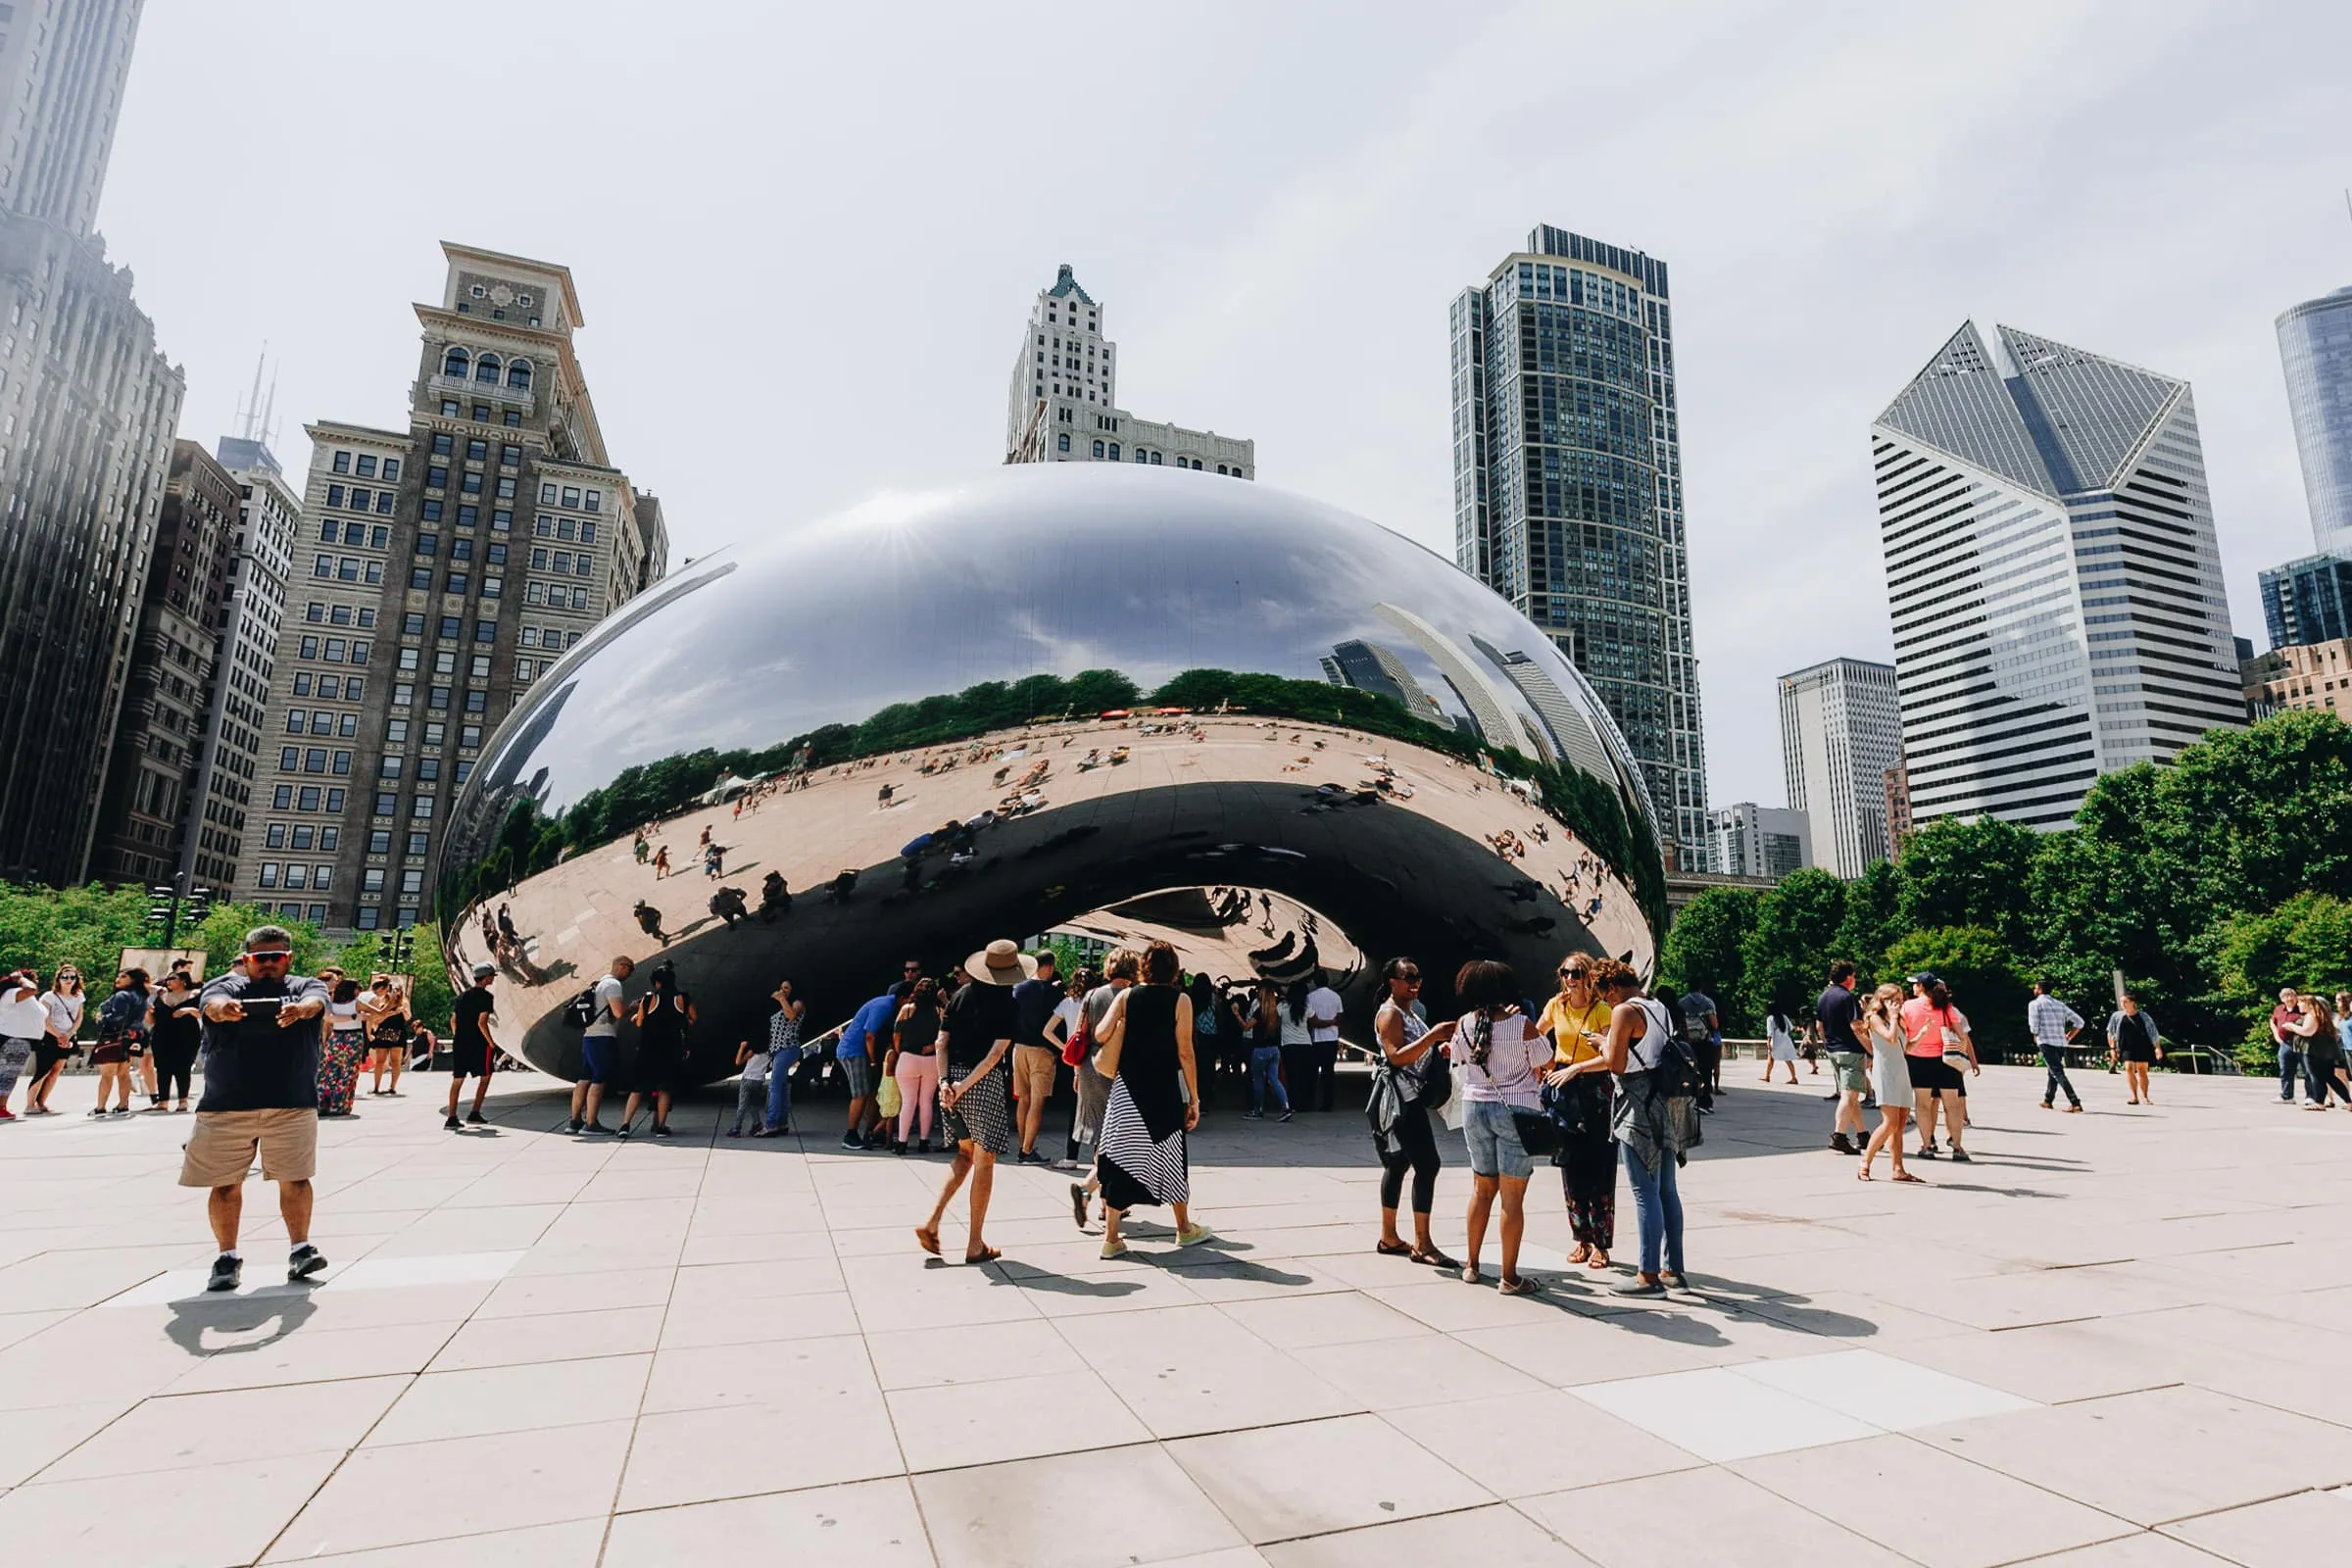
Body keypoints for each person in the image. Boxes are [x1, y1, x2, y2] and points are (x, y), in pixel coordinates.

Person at [184, 926, 331, 1292]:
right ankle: (226, 1256)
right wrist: (223, 1011)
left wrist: (301, 1011)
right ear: (247, 959)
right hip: (227, 1104)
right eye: (259, 958)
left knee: (296, 1179)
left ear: (289, 958)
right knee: (224, 1186)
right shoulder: (226, 987)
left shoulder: (305, 987)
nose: (268, 964)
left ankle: (300, 1249)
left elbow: (318, 1002)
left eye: (276, 957)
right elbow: (212, 1005)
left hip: (291, 1101)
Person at [1091, 941, 1213, 1258]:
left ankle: (1112, 1238)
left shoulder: (1127, 995)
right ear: (1173, 969)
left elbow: (1100, 1034)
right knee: (1172, 1157)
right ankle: (1184, 1229)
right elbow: (1185, 1051)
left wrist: (1122, 1020)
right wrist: (1195, 1098)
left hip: (1127, 1090)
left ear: (1143, 967)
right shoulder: (1180, 1000)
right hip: (1162, 1092)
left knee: (1119, 1159)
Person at [917, 940, 1027, 1263]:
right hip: (981, 1085)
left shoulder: (959, 995)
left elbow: (941, 1042)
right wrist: (964, 1086)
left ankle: (933, 1222)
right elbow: (994, 1056)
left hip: (949, 1083)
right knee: (985, 1160)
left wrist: (944, 1083)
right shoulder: (1009, 1004)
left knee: (965, 1155)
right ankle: (975, 1243)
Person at [1446, 959, 1545, 1296]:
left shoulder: (1463, 1023)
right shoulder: (1521, 1024)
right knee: (1511, 1199)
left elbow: (1458, 1058)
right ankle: (1509, 1276)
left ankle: (1471, 1266)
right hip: (1515, 1108)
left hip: (1475, 1107)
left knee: (1481, 1189)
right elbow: (1544, 1057)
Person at [1595, 958, 1692, 1294]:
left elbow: (1617, 1063)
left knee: (1643, 1192)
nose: (1608, 1003)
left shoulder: (1624, 1011)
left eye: (1605, 996)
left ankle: (1647, 1275)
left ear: (1611, 987)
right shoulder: (1659, 1007)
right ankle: (1673, 1269)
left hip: (1637, 1104)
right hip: (1664, 1101)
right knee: (1667, 1189)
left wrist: (1603, 1042)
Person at [1371, 957, 1458, 1268]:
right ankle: (1422, 1244)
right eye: (1408, 977)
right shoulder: (1390, 1013)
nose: (1415, 981)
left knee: (1398, 1164)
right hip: (1402, 1100)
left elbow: (1415, 1050)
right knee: (1428, 1164)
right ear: (1392, 981)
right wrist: (1433, 1037)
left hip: (1410, 1098)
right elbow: (1395, 1057)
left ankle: (1389, 1236)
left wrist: (1437, 1048)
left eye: (1419, 976)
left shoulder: (1408, 1011)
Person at [1539, 954, 1617, 1270]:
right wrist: (1547, 1064)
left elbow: (1612, 1056)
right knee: (1569, 1166)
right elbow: (1535, 1034)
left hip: (1595, 1089)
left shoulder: (1602, 1011)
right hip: (1564, 1088)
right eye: (1565, 973)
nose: (1570, 979)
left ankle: (1601, 1243)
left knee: (1599, 1166)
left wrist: (1578, 1068)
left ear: (1588, 977)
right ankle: (1580, 1239)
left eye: (1576, 973)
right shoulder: (1555, 1006)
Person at [1902, 973, 1979, 1159]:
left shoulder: (1908, 1006)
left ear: (1920, 986)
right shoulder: (1946, 1006)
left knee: (1923, 1105)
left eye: (1915, 984)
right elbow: (1961, 1034)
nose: (1913, 987)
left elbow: (1904, 1033)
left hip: (1918, 1058)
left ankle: (1927, 1146)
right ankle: (1958, 1147)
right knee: (1952, 1105)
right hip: (1947, 1060)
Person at [1856, 984, 1919, 1182]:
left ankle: (1898, 1169)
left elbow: (1903, 1047)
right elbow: (1890, 1039)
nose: (1899, 1003)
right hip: (1886, 1073)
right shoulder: (1875, 1018)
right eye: (1894, 1000)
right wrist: (1893, 1017)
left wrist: (1921, 1035)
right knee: (1889, 1123)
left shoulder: (1897, 1020)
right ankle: (1865, 1163)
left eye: (1901, 999)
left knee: (1900, 1124)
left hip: (1901, 1071)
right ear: (1882, 999)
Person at [621, 961, 693, 1137]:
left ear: (656, 982)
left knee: (637, 1088)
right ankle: (661, 1126)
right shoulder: (682, 998)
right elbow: (692, 1017)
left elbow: (640, 1023)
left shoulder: (648, 998)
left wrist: (639, 1015)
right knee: (664, 1089)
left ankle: (625, 1125)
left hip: (648, 1048)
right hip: (671, 1048)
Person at [567, 956, 632, 1135]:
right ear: (621, 966)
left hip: (589, 1036)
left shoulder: (598, 983)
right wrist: (633, 1007)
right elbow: (618, 1012)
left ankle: (574, 1121)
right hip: (603, 1037)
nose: (630, 974)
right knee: (599, 1079)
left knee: (584, 1078)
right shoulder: (613, 985)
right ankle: (591, 1123)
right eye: (629, 969)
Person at [1009, 950, 1062, 1163]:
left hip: (1018, 1048)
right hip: (1042, 1051)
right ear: (1049, 967)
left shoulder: (1017, 989)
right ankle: (1028, 1149)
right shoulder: (1053, 993)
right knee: (1037, 1102)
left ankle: (1025, 1145)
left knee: (1023, 1099)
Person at [834, 988, 900, 1150]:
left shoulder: (885, 1004)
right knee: (861, 1094)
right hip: (854, 1052)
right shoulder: (884, 1007)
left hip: (858, 1051)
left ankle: (871, 1132)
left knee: (872, 1093)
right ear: (903, 997)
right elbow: (869, 1035)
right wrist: (872, 1061)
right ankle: (850, 1135)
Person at [1817, 961, 1869, 1153]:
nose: (1855, 980)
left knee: (1851, 1095)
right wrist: (1870, 1049)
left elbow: (1819, 1026)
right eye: (1854, 976)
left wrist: (1828, 1044)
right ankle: (1838, 1136)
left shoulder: (1823, 997)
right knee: (1849, 1096)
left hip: (1833, 1051)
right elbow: (1856, 1026)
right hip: (1850, 1051)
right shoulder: (1847, 998)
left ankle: (1863, 1135)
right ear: (1848, 978)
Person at [889, 976, 945, 1152]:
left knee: (908, 1101)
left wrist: (900, 1052)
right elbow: (944, 1036)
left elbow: (896, 1035)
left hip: (908, 1058)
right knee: (926, 1101)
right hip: (931, 1060)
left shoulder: (906, 1010)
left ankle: (902, 1143)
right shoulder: (939, 1011)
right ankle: (923, 1141)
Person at [445, 962, 501, 1130]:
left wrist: (459, 1036)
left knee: (458, 1079)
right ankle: (475, 1112)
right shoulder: (486, 997)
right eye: (491, 976)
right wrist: (491, 1042)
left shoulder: (462, 996)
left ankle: (452, 1117)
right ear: (485, 978)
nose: (492, 979)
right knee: (485, 1077)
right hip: (478, 1044)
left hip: (461, 1042)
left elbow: (453, 1020)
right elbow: (482, 1022)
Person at [90, 967, 151, 1116]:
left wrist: (101, 1018)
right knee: (124, 1073)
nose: (118, 979)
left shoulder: (122, 995)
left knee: (107, 1073)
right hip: (132, 1037)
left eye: (123, 976)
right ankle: (123, 1104)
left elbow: (117, 1016)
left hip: (114, 1036)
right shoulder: (141, 997)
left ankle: (100, 1107)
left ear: (133, 980)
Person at [25, 965, 85, 1115]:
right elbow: (45, 1018)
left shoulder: (78, 996)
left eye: (72, 977)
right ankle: (29, 1104)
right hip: (49, 1035)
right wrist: (58, 1035)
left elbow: (79, 1017)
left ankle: (42, 1102)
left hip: (67, 1035)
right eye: (65, 977)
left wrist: (70, 1034)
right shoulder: (49, 997)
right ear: (58, 979)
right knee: (43, 1070)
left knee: (56, 1070)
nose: (69, 980)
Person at [755, 979, 808, 1137]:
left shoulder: (797, 1004)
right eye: (781, 988)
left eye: (786, 988)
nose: (783, 990)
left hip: (788, 1048)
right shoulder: (779, 1007)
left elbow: (791, 1016)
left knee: (775, 1086)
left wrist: (782, 999)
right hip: (778, 1051)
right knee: (782, 1088)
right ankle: (782, 1123)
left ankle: (771, 1124)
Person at [147, 970, 204, 1112]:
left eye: (172, 978)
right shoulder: (161, 997)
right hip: (162, 1036)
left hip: (186, 1036)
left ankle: (183, 1100)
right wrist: (147, 1012)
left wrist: (188, 1010)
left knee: (183, 1067)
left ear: (183, 980)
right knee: (162, 1068)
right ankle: (163, 1101)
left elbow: (203, 1013)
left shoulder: (195, 994)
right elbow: (152, 1020)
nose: (168, 981)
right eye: (167, 979)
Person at [2027, 980, 2086, 1112]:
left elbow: (2034, 1024)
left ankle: (2075, 1102)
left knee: (2057, 1072)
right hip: (2060, 1042)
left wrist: (2035, 1035)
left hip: (2046, 1041)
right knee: (2053, 1071)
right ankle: (2048, 1100)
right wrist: (2069, 1036)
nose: (2034, 990)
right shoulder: (2060, 1004)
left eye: (2035, 988)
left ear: (2040, 990)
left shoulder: (2035, 1004)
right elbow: (2079, 1022)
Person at [0, 966, 48, 1119]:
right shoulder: (11, 994)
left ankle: (2, 1106)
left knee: (9, 1075)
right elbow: (31, 989)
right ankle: (0, 1108)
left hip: (20, 1040)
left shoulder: (24, 999)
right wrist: (20, 978)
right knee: (8, 1075)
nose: (37, 983)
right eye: (35, 979)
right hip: (13, 1039)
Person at [1244, 978, 1290, 1123]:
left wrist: (1237, 1015)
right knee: (1274, 1079)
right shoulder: (1276, 1011)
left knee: (1258, 1080)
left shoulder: (1259, 1012)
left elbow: (1247, 1027)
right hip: (1274, 1049)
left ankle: (1258, 1110)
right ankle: (1286, 1107)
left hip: (1260, 1050)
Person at [318, 977, 367, 1116]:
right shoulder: (355, 1003)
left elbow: (328, 1021)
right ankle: (338, 1105)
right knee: (347, 1072)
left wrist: (325, 1039)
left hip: (336, 1037)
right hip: (352, 1038)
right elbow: (377, 1012)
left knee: (329, 1071)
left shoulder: (330, 1000)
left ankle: (323, 1104)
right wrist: (355, 1016)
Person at [2293, 995, 2351, 1108]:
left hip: (2314, 1051)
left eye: (2301, 1002)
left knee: (2317, 1077)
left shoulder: (2312, 1016)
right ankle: (2349, 1102)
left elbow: (2307, 1031)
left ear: (2309, 1004)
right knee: (2330, 1077)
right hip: (2326, 1051)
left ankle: (2319, 1103)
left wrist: (2291, 1026)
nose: (2298, 1005)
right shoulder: (2323, 1016)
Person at [2106, 991, 2163, 1106]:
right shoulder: (2117, 1016)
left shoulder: (2144, 1016)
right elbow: (2110, 1032)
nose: (2123, 1004)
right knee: (2129, 1068)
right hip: (2126, 1047)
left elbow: (2153, 1033)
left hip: (2142, 1046)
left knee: (2142, 1071)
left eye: (2125, 1002)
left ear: (2133, 1003)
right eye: (2122, 1002)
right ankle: (2134, 1096)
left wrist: (2157, 1048)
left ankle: (2145, 1097)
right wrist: (2112, 1048)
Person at [360, 975, 409, 1097]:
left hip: (398, 1031)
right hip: (383, 1031)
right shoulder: (380, 1001)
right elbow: (376, 1019)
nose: (394, 992)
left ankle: (392, 1087)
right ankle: (376, 1087)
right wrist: (390, 1013)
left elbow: (408, 1018)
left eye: (397, 990)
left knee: (395, 1061)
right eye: (392, 989)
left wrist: (403, 1011)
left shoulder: (404, 1001)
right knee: (380, 1061)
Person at [1304, 969, 1345, 1112]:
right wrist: (1331, 1022)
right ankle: (1328, 1103)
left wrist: (1323, 1022)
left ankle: (1310, 1102)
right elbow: (1339, 1018)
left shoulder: (1310, 997)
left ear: (1315, 982)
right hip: (1331, 1039)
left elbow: (1311, 1022)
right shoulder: (1336, 997)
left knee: (1312, 1074)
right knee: (1329, 1073)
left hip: (1316, 1040)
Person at [1677, 983, 1723, 1096]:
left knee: (1690, 1069)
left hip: (1688, 1042)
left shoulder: (1681, 1002)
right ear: (1701, 988)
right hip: (1704, 1041)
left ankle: (1692, 1095)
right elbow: (1714, 1024)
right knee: (1706, 1070)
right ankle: (1705, 1098)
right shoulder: (1707, 1002)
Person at [1278, 977, 1316, 1110]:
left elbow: (1275, 1021)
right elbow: (1314, 1022)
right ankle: (1304, 1104)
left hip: (1289, 1045)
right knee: (1304, 1077)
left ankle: (1292, 1103)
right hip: (1305, 1045)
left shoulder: (1282, 1007)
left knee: (1291, 1076)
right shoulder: (1306, 1008)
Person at [2271, 988, 2308, 1104]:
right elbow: (2272, 1021)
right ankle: (2287, 1096)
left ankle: (2311, 1096)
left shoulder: (2302, 1009)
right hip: (2285, 1043)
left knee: (2307, 1070)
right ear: (2282, 999)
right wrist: (2276, 1036)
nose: (2290, 998)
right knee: (2285, 1070)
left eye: (2292, 995)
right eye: (2286, 996)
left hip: (2302, 1043)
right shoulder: (2279, 1009)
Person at [1763, 1007, 1799, 1085]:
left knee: (1771, 1058)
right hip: (1786, 1040)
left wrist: (1768, 1042)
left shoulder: (1770, 1018)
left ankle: (1767, 1076)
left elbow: (1770, 1032)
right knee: (1788, 1059)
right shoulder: (1784, 1016)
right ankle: (1794, 1078)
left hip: (1776, 1041)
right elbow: (1791, 1028)